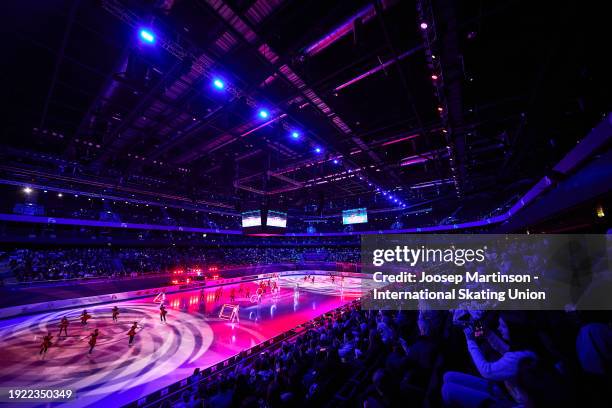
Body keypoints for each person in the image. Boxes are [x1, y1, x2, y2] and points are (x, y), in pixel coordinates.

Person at [441, 312, 539, 407]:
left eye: (503, 326)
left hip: (515, 403)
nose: (499, 328)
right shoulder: (523, 346)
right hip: (507, 392)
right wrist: (487, 334)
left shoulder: (519, 359)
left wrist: (470, 340)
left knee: (447, 391)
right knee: (448, 376)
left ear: (514, 329)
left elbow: (486, 370)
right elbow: (505, 350)